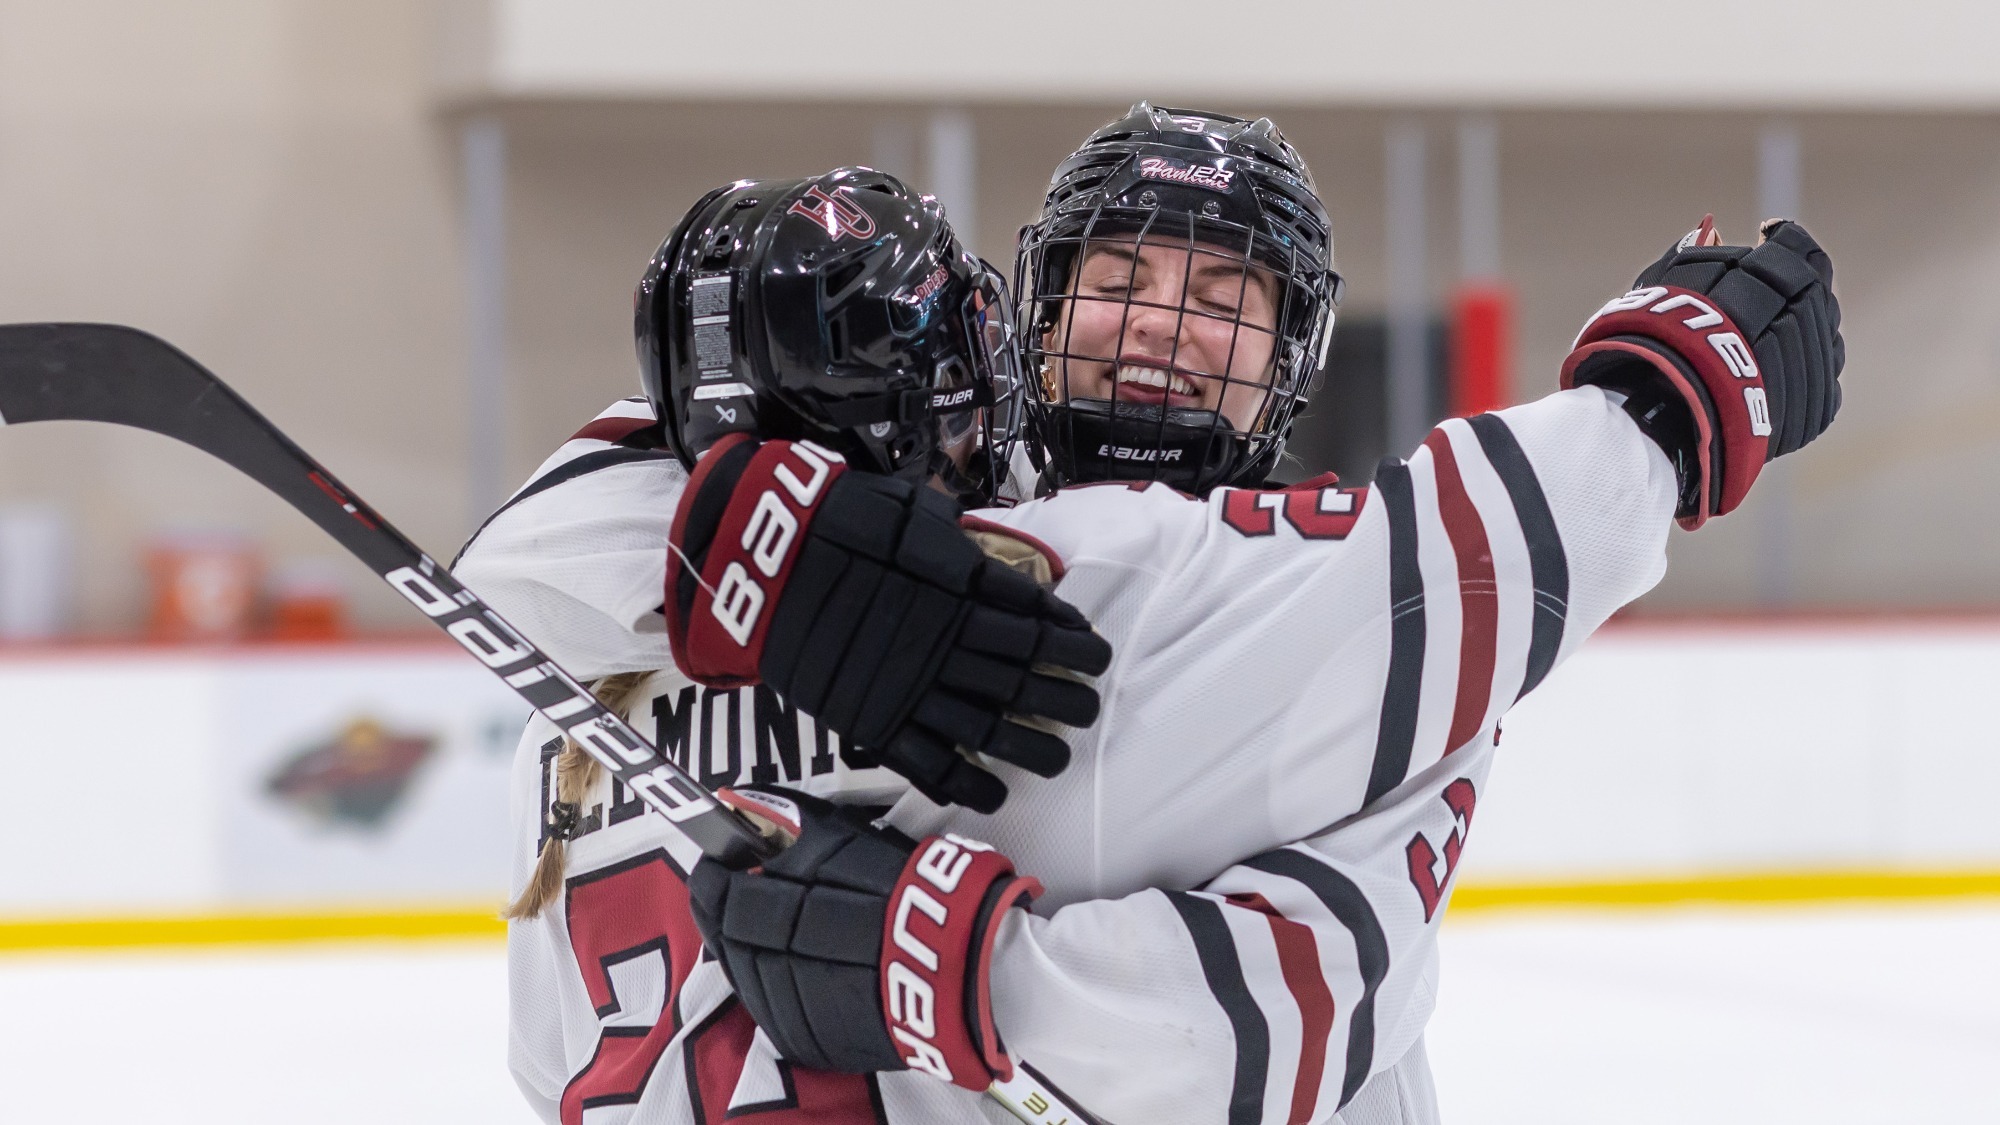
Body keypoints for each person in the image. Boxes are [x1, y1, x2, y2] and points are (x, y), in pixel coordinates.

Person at [467, 107, 1844, 1125]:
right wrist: (1657, 410)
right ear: (1028, 318)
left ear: (1290, 356)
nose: (1160, 325)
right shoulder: (1071, 553)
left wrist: (754, 553)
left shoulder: (1285, 618)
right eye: (1118, 282)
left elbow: (1286, 1004)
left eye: (1224, 299)